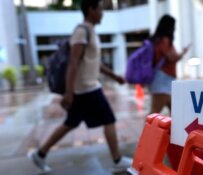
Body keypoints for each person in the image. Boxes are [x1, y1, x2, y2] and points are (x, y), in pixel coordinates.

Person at [27, 0, 132, 173]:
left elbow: (93, 62)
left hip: (86, 88)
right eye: (99, 9)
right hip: (86, 88)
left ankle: (40, 154)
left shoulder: (90, 32)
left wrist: (114, 76)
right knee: (109, 119)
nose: (102, 13)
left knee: (71, 122)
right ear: (91, 10)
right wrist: (68, 93)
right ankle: (117, 159)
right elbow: (73, 62)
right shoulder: (81, 32)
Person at [148, 15, 190, 114]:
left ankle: (173, 129)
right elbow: (172, 58)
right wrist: (183, 53)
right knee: (154, 112)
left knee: (175, 111)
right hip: (163, 80)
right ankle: (147, 130)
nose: (175, 28)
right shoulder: (164, 40)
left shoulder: (158, 40)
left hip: (164, 79)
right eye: (173, 26)